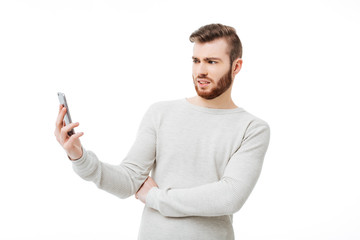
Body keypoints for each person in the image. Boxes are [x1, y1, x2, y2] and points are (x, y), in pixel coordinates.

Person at [54, 23, 270, 240]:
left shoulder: (252, 129)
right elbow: (129, 181)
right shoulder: (161, 113)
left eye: (212, 62)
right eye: (196, 61)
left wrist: (156, 198)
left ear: (236, 66)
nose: (201, 71)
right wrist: (79, 157)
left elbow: (229, 197)